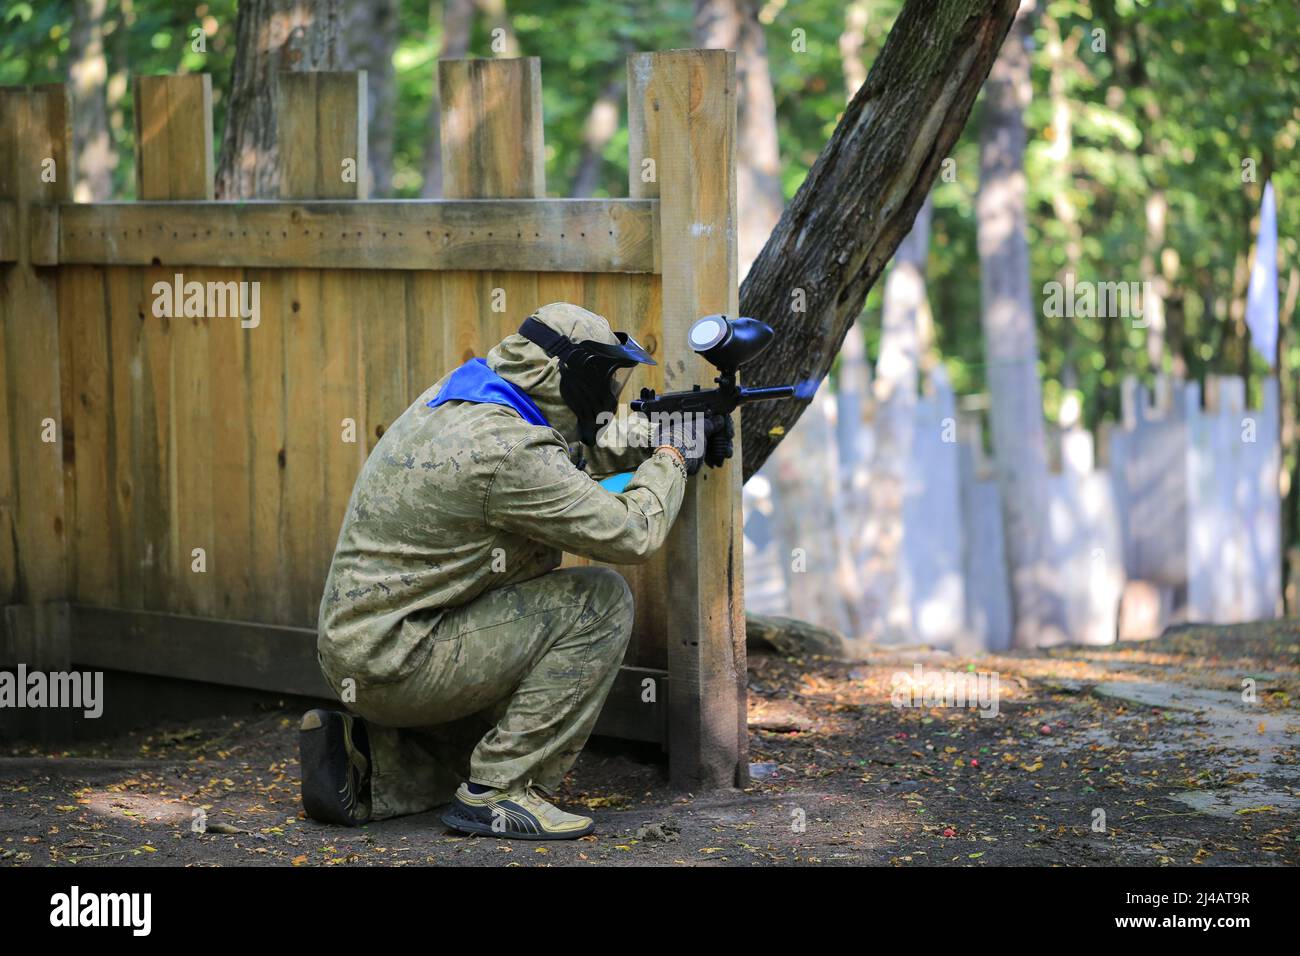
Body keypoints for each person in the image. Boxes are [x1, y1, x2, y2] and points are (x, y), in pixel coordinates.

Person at [300, 302, 732, 839]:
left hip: (371, 646)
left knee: (511, 656)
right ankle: (498, 793)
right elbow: (630, 532)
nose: (607, 391)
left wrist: (651, 433)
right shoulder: (508, 451)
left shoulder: (465, 399)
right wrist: (671, 455)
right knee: (598, 604)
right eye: (601, 377)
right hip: (401, 660)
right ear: (559, 375)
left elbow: (563, 461)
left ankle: (374, 771)